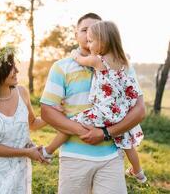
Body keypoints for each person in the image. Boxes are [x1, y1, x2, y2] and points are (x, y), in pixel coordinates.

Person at [40, 13, 146, 194]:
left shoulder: (123, 65)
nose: (90, 35)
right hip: (74, 157)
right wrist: (84, 131)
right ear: (76, 35)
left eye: (95, 30)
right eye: (84, 30)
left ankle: (47, 151)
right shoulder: (61, 67)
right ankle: (138, 171)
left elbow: (140, 109)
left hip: (111, 157)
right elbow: (47, 111)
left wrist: (104, 133)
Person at [0, 46, 47, 194]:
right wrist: (26, 152)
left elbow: (32, 123)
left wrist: (55, 114)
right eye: (10, 68)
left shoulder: (22, 92)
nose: (16, 71)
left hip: (19, 168)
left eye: (15, 66)